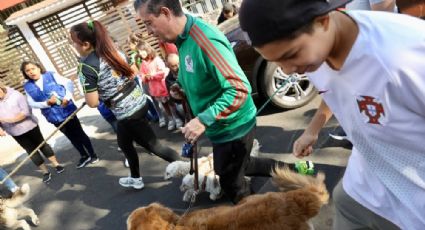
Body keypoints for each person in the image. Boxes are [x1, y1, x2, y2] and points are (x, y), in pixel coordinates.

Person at [239, 0, 425, 229]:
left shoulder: (404, 56)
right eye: (275, 61)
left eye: (291, 55)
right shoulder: (317, 53)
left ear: (323, 20)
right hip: (365, 183)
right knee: (344, 203)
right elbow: (337, 88)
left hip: (415, 200)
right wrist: (313, 127)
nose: (287, 70)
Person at [134, 0, 311, 204]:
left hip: (234, 126)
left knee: (231, 183)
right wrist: (181, 87)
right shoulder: (182, 40)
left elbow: (239, 89)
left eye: (148, 23)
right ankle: (294, 170)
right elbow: (198, 75)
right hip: (221, 127)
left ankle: (257, 218)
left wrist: (203, 120)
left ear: (165, 13)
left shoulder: (204, 39)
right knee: (242, 166)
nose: (148, 31)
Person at [70, 19, 182, 189]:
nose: (73, 46)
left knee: (154, 146)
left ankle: (191, 169)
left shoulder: (86, 67)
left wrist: (101, 91)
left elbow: (92, 102)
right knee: (124, 143)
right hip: (139, 101)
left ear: (85, 44)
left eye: (74, 42)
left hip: (127, 113)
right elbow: (132, 73)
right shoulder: (112, 50)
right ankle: (136, 178)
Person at [328, 0, 397, 141]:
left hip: (375, 54)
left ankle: (375, 135)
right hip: (358, 50)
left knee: (379, 101)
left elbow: (382, 21)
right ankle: (359, 130)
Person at [21, 61, 99, 169]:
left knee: (79, 133)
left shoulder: (50, 75)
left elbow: (68, 83)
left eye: (33, 68)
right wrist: (46, 103)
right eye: (27, 70)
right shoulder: (28, 86)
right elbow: (31, 103)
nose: (31, 72)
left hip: (66, 110)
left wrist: (67, 97)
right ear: (25, 73)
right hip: (53, 117)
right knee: (71, 137)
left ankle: (93, 154)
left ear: (38, 68)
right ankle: (84, 155)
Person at [0, 83, 64, 183]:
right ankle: (45, 172)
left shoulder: (16, 95)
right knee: (31, 151)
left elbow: (26, 112)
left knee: (42, 145)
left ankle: (56, 164)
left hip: (30, 126)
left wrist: (9, 120)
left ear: (1, 88)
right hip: (15, 132)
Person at [138, 41, 183, 130]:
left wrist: (153, 75)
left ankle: (177, 118)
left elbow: (163, 71)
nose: (140, 54)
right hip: (155, 88)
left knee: (170, 102)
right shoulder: (143, 63)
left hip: (162, 86)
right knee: (163, 104)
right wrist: (145, 77)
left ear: (147, 50)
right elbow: (141, 74)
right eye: (139, 52)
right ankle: (170, 119)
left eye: (142, 51)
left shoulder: (156, 59)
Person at [165, 53, 186, 121]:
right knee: (180, 108)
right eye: (174, 66)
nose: (178, 67)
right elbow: (176, 96)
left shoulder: (186, 70)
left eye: (179, 63)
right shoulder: (168, 79)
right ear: (168, 66)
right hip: (181, 101)